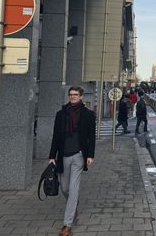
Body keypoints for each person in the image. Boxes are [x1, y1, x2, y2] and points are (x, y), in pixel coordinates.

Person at [48, 86, 96, 236]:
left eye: (75, 95)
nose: (73, 97)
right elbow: (55, 136)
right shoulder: (61, 114)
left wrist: (90, 155)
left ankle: (67, 225)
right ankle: (73, 205)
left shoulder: (88, 115)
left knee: (73, 190)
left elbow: (91, 136)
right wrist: (51, 156)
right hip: (63, 156)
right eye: (70, 95)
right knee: (64, 188)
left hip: (78, 156)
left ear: (81, 96)